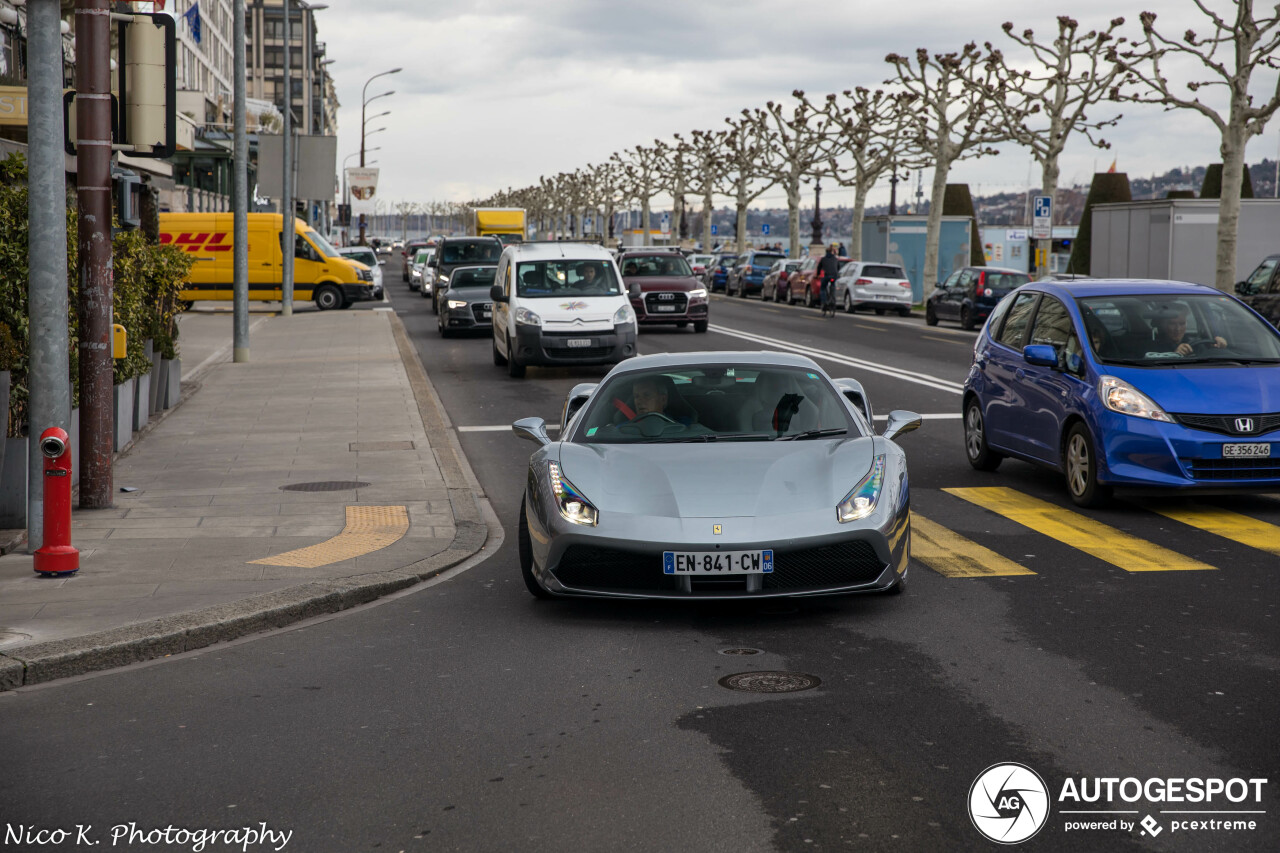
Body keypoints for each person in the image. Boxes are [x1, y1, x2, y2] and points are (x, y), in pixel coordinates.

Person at [1150, 303, 1225, 356]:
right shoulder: (1150, 348)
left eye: (1182, 324)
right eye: (1172, 324)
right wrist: (1174, 355)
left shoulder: (1195, 344)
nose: (1178, 329)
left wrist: (1219, 347)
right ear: (1161, 324)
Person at [816, 242, 842, 317]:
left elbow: (819, 268)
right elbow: (838, 268)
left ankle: (824, 302)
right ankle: (833, 301)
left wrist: (817, 275)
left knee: (823, 288)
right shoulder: (835, 259)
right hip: (834, 276)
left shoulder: (823, 259)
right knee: (833, 286)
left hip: (827, 276)